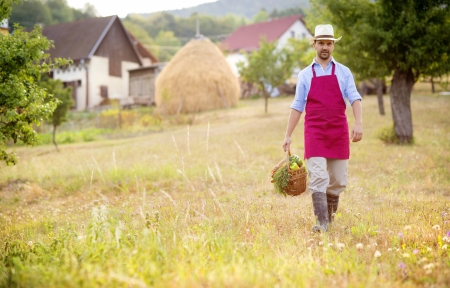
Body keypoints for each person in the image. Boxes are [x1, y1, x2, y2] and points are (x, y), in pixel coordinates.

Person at [282, 24, 363, 232]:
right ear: (314, 45)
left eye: (329, 43)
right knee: (318, 177)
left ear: (333, 45)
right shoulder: (305, 75)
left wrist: (358, 123)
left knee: (338, 181)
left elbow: (354, 98)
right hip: (315, 131)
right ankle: (322, 223)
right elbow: (297, 106)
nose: (325, 47)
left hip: (338, 131)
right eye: (321, 43)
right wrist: (288, 135)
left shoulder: (344, 72)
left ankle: (329, 220)